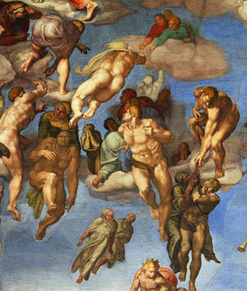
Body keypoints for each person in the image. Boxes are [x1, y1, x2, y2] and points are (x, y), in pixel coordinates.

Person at [0, 80, 46, 221]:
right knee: (18, 174)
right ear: (20, 94)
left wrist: (36, 111)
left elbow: (22, 118)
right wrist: (40, 83)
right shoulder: (24, 98)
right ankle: (12, 205)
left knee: (27, 143)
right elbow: (42, 90)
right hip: (8, 138)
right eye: (24, 92)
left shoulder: (12, 109)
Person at [119, 102, 174, 242]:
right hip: (139, 164)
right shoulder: (122, 129)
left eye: (126, 112)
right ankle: (154, 207)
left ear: (133, 114)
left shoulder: (149, 123)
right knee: (144, 191)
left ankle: (162, 227)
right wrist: (128, 144)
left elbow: (170, 137)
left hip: (157, 161)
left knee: (166, 197)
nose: (123, 114)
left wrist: (155, 134)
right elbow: (132, 141)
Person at [71, 43, 146, 125]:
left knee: (78, 96)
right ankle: (93, 107)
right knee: (96, 99)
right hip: (118, 80)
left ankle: (77, 112)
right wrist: (137, 54)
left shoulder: (111, 53)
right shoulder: (133, 56)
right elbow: (143, 60)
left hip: (103, 74)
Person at [28, 130, 79, 240]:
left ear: (70, 139)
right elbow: (31, 157)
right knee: (51, 176)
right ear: (57, 137)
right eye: (61, 136)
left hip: (57, 181)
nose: (63, 139)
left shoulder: (72, 150)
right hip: (38, 175)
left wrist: (72, 195)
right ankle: (50, 204)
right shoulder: (49, 142)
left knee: (59, 211)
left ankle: (43, 225)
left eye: (66, 137)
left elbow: (72, 175)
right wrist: (41, 152)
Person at [172, 176, 221, 291]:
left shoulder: (214, 198)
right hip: (186, 222)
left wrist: (194, 188)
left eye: (208, 186)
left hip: (199, 225)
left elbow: (196, 199)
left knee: (196, 254)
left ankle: (192, 282)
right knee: (184, 249)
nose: (205, 187)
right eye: (205, 185)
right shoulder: (199, 189)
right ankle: (183, 269)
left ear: (213, 189)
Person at [20, 13, 87, 95]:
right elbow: (63, 56)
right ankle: (62, 89)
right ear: (80, 29)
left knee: (38, 51)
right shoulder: (75, 31)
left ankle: (28, 61)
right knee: (63, 59)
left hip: (39, 25)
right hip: (52, 29)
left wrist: (53, 67)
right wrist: (54, 67)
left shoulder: (66, 24)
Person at [191, 86, 239, 178]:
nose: (208, 104)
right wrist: (195, 109)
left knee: (215, 142)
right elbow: (198, 104)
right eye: (206, 101)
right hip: (213, 117)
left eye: (210, 102)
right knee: (192, 122)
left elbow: (208, 135)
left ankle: (219, 169)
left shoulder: (214, 109)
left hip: (228, 117)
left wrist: (201, 154)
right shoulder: (198, 92)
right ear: (202, 94)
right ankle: (204, 149)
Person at [72, 208, 117, 283]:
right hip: (93, 240)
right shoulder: (99, 220)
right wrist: (81, 239)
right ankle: (85, 271)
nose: (110, 217)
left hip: (103, 243)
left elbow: (112, 237)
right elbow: (88, 231)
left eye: (112, 216)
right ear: (104, 215)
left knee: (93, 259)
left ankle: (81, 276)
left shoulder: (114, 224)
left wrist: (110, 247)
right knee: (84, 257)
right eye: (108, 215)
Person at [92, 117, 126, 188]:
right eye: (111, 123)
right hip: (115, 159)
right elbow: (116, 147)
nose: (114, 124)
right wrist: (124, 145)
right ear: (109, 126)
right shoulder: (113, 136)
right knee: (109, 169)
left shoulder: (109, 136)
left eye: (114, 122)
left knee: (107, 169)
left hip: (110, 159)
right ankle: (97, 181)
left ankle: (96, 180)